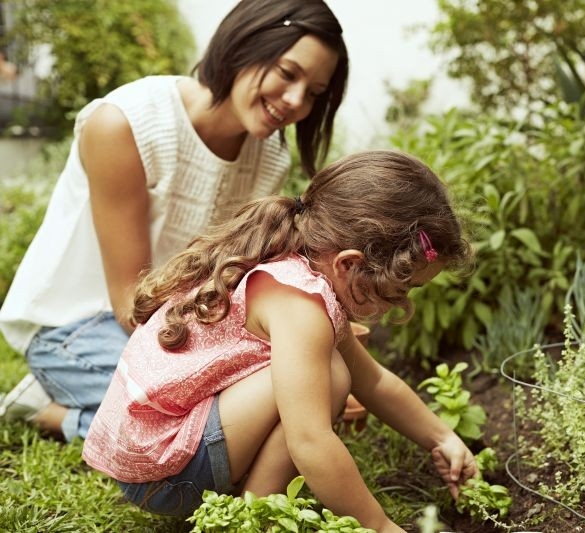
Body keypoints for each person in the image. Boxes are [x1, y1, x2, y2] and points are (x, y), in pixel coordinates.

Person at [0, 0, 348, 442]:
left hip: (169, 325)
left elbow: (233, 277)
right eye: (287, 73)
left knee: (247, 407)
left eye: (314, 92)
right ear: (245, 44)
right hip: (76, 327)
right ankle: (49, 411)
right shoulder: (124, 123)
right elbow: (131, 301)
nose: (297, 101)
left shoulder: (269, 156)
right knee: (215, 424)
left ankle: (66, 413)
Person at [81, 150, 477, 532]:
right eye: (400, 290)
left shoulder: (293, 264)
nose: (401, 305)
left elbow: (372, 381)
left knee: (336, 371)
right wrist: (380, 526)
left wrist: (441, 436)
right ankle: (253, 516)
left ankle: (247, 506)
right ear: (349, 263)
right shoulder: (301, 307)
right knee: (332, 377)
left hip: (151, 455)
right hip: (165, 474)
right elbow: (310, 441)